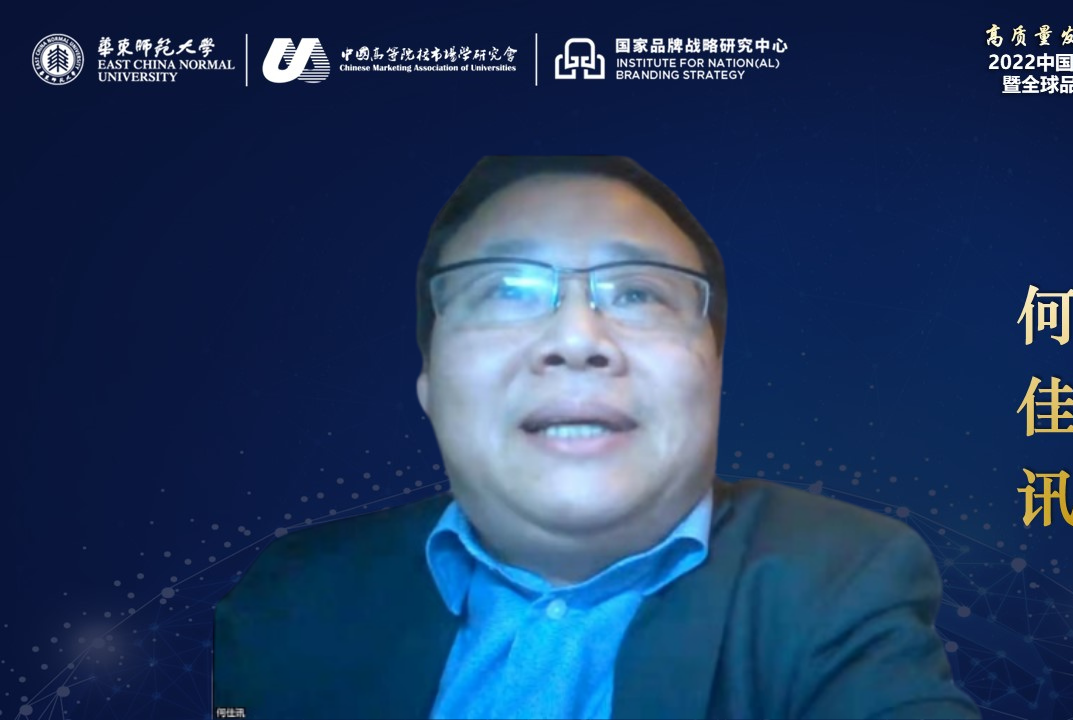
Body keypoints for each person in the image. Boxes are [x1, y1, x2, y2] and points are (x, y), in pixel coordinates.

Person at [212, 156, 981, 720]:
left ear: (715, 376)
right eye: (506, 289)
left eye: (638, 292)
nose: (578, 339)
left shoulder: (841, 577)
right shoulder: (291, 594)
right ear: (429, 386)